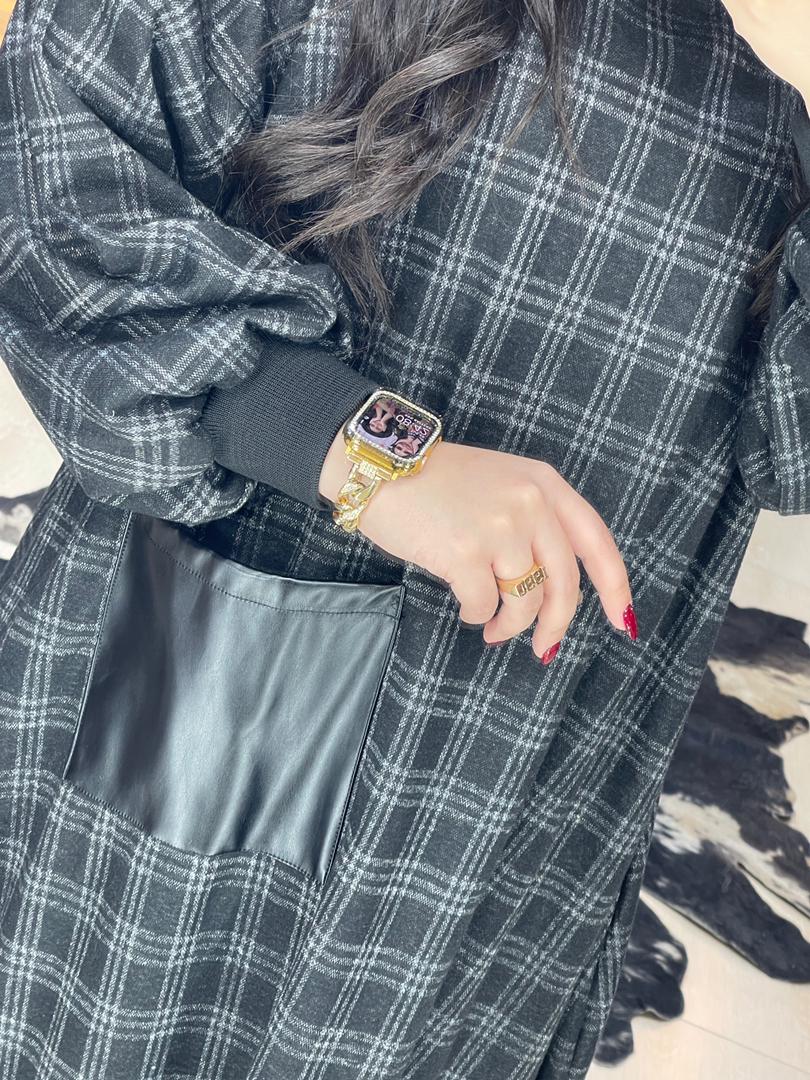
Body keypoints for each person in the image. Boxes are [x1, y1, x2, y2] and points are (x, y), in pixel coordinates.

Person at [0, 0, 808, 1076]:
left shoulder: (767, 143)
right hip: (168, 778)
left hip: (497, 868)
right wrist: (358, 446)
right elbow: (56, 169)